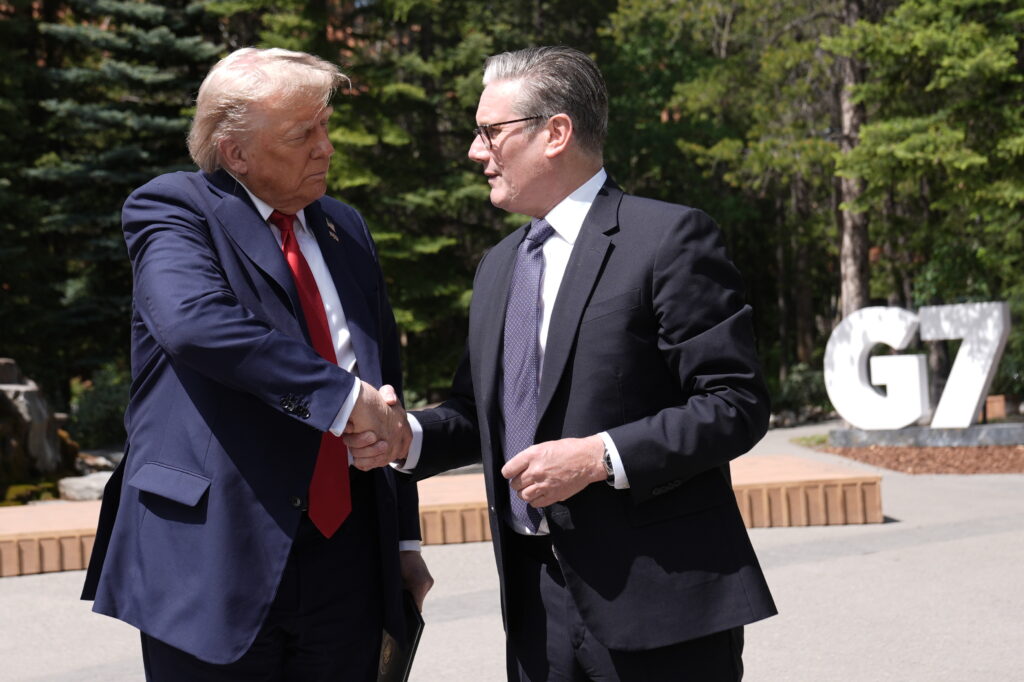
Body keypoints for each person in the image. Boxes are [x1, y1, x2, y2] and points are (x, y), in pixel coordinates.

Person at [349, 45, 777, 681]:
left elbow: (734, 404)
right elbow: (478, 414)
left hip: (661, 601)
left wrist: (600, 457)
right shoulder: (499, 265)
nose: (475, 151)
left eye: (490, 131)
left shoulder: (668, 238)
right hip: (536, 607)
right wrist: (404, 436)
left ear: (555, 133)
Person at [81, 47, 431, 681]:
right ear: (235, 152)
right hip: (214, 551)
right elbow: (195, 323)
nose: (326, 148)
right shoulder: (174, 207)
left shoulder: (345, 227)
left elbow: (387, 386)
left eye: (325, 126)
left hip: (348, 552)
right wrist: (341, 399)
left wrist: (403, 540)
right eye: (302, 134)